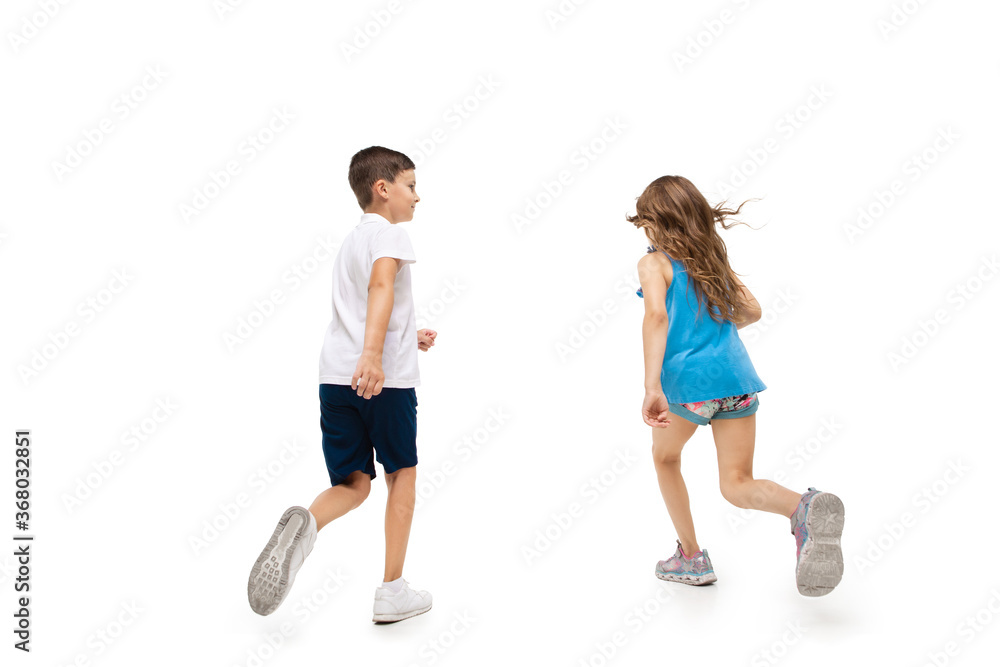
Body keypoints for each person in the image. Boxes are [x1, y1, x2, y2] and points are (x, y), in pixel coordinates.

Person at [247, 146, 437, 622]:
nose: (418, 196)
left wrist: (404, 336)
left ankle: (308, 522)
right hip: (382, 382)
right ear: (383, 188)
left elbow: (359, 307)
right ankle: (392, 590)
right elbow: (379, 289)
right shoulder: (391, 237)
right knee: (401, 475)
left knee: (353, 484)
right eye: (411, 185)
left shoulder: (351, 241)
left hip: (335, 378)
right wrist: (375, 355)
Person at [630, 175, 844, 597]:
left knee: (666, 459)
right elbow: (751, 311)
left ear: (657, 221)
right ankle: (801, 507)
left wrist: (652, 385)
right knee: (737, 483)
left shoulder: (653, 263)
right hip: (736, 380)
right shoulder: (710, 259)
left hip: (689, 387)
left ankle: (690, 557)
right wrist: (712, 324)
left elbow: (656, 317)